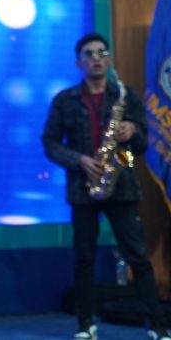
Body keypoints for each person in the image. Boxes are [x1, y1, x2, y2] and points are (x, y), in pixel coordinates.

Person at [42, 33, 169, 340]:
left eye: (102, 52)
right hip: (83, 187)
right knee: (84, 258)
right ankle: (86, 325)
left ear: (109, 58)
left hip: (122, 186)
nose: (96, 58)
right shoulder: (65, 100)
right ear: (79, 62)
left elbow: (141, 146)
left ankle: (157, 325)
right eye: (89, 54)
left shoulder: (126, 97)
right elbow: (50, 142)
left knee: (138, 257)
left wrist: (133, 131)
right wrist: (79, 160)